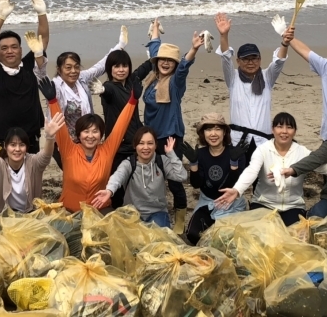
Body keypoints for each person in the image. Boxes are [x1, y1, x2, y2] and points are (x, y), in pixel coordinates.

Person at [214, 112, 327, 226]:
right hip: (263, 204)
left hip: (293, 207)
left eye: (289, 127)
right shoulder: (263, 149)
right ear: (272, 129)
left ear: (295, 131)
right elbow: (252, 171)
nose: (284, 131)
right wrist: (237, 190)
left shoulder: (302, 152)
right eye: (279, 126)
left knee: (293, 241)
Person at [38, 76, 142, 213]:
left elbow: (120, 127)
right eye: (86, 131)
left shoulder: (107, 151)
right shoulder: (68, 150)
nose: (90, 136)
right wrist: (52, 101)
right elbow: (60, 127)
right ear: (79, 135)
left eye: (95, 132)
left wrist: (133, 101)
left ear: (101, 135)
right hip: (69, 212)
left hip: (100, 211)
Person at [35, 26, 128, 169]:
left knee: (89, 172)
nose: (73, 71)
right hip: (62, 142)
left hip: (86, 139)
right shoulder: (55, 86)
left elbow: (100, 66)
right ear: (59, 70)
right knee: (73, 173)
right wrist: (38, 55)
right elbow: (41, 75)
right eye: (68, 67)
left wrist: (120, 45)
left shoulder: (82, 79)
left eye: (76, 67)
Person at [144, 18, 205, 233]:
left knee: (174, 181)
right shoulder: (151, 79)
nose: (166, 63)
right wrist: (154, 31)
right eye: (163, 60)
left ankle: (179, 218)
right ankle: (157, 212)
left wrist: (193, 49)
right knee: (153, 178)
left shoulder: (175, 83)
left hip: (170, 137)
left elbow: (183, 69)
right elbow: (153, 49)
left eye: (171, 60)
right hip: (150, 137)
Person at [0, 0, 49, 154]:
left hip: (30, 136)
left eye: (14, 47)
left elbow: (43, 39)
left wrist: (41, 13)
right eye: (4, 48)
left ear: (21, 49)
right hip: (1, 138)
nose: (10, 51)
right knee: (4, 178)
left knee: (31, 177)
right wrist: (1, 16)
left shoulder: (29, 66)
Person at [214, 12, 293, 148]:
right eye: (246, 59)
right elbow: (225, 58)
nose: (251, 62)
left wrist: (285, 43)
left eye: (254, 58)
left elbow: (279, 62)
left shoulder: (267, 77)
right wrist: (223, 35)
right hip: (238, 141)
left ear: (260, 59)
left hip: (263, 141)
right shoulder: (232, 78)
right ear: (238, 61)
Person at [0, 111, 63, 214]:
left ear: (27, 147)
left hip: (31, 214)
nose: (17, 149)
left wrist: (50, 137)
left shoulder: (33, 162)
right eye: (13, 145)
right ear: (6, 146)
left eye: (21, 145)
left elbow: (46, 155)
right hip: (5, 215)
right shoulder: (0, 165)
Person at [91, 128, 188, 228]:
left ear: (155, 145)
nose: (145, 147)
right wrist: (109, 190)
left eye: (150, 143)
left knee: (159, 240)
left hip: (157, 212)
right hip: (132, 213)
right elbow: (118, 176)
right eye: (141, 143)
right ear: (135, 145)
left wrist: (171, 154)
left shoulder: (162, 161)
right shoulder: (129, 164)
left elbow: (182, 176)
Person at [95, 49, 153, 208]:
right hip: (117, 146)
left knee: (138, 181)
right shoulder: (109, 87)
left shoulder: (131, 82)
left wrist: (151, 59)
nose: (121, 70)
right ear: (109, 69)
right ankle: (118, 212)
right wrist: (102, 91)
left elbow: (142, 70)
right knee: (118, 184)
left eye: (124, 66)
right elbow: (107, 93)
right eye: (116, 66)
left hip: (135, 142)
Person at [184, 113, 252, 244]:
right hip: (208, 202)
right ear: (203, 133)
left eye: (217, 129)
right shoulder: (201, 154)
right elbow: (196, 184)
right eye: (208, 129)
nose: (213, 134)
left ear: (225, 132)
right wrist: (193, 164)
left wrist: (233, 163)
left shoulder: (236, 153)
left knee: (228, 240)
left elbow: (234, 186)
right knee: (193, 234)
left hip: (231, 203)